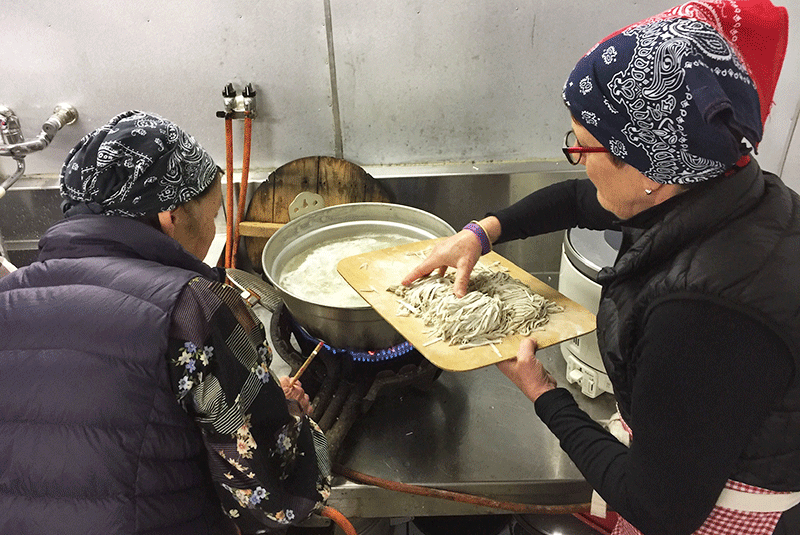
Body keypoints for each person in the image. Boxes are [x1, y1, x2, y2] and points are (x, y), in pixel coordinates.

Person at [403, 1, 799, 534]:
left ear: (645, 165)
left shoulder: (703, 313)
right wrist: (481, 232)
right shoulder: (720, 181)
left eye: (583, 145)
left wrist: (541, 391)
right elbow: (578, 200)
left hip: (721, 510)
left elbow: (659, 508)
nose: (577, 156)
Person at [0, 111, 331, 535]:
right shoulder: (188, 306)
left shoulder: (9, 297)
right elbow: (270, 493)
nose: (214, 234)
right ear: (169, 217)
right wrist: (285, 413)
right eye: (212, 216)